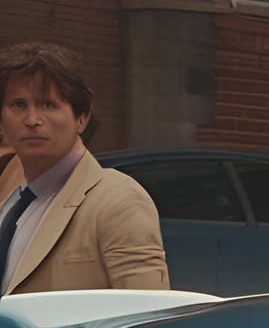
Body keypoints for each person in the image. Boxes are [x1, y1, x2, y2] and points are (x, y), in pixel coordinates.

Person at [0, 42, 168, 293]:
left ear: (82, 117)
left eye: (48, 105)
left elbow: (146, 322)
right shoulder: (13, 201)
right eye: (18, 105)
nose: (32, 120)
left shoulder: (119, 200)